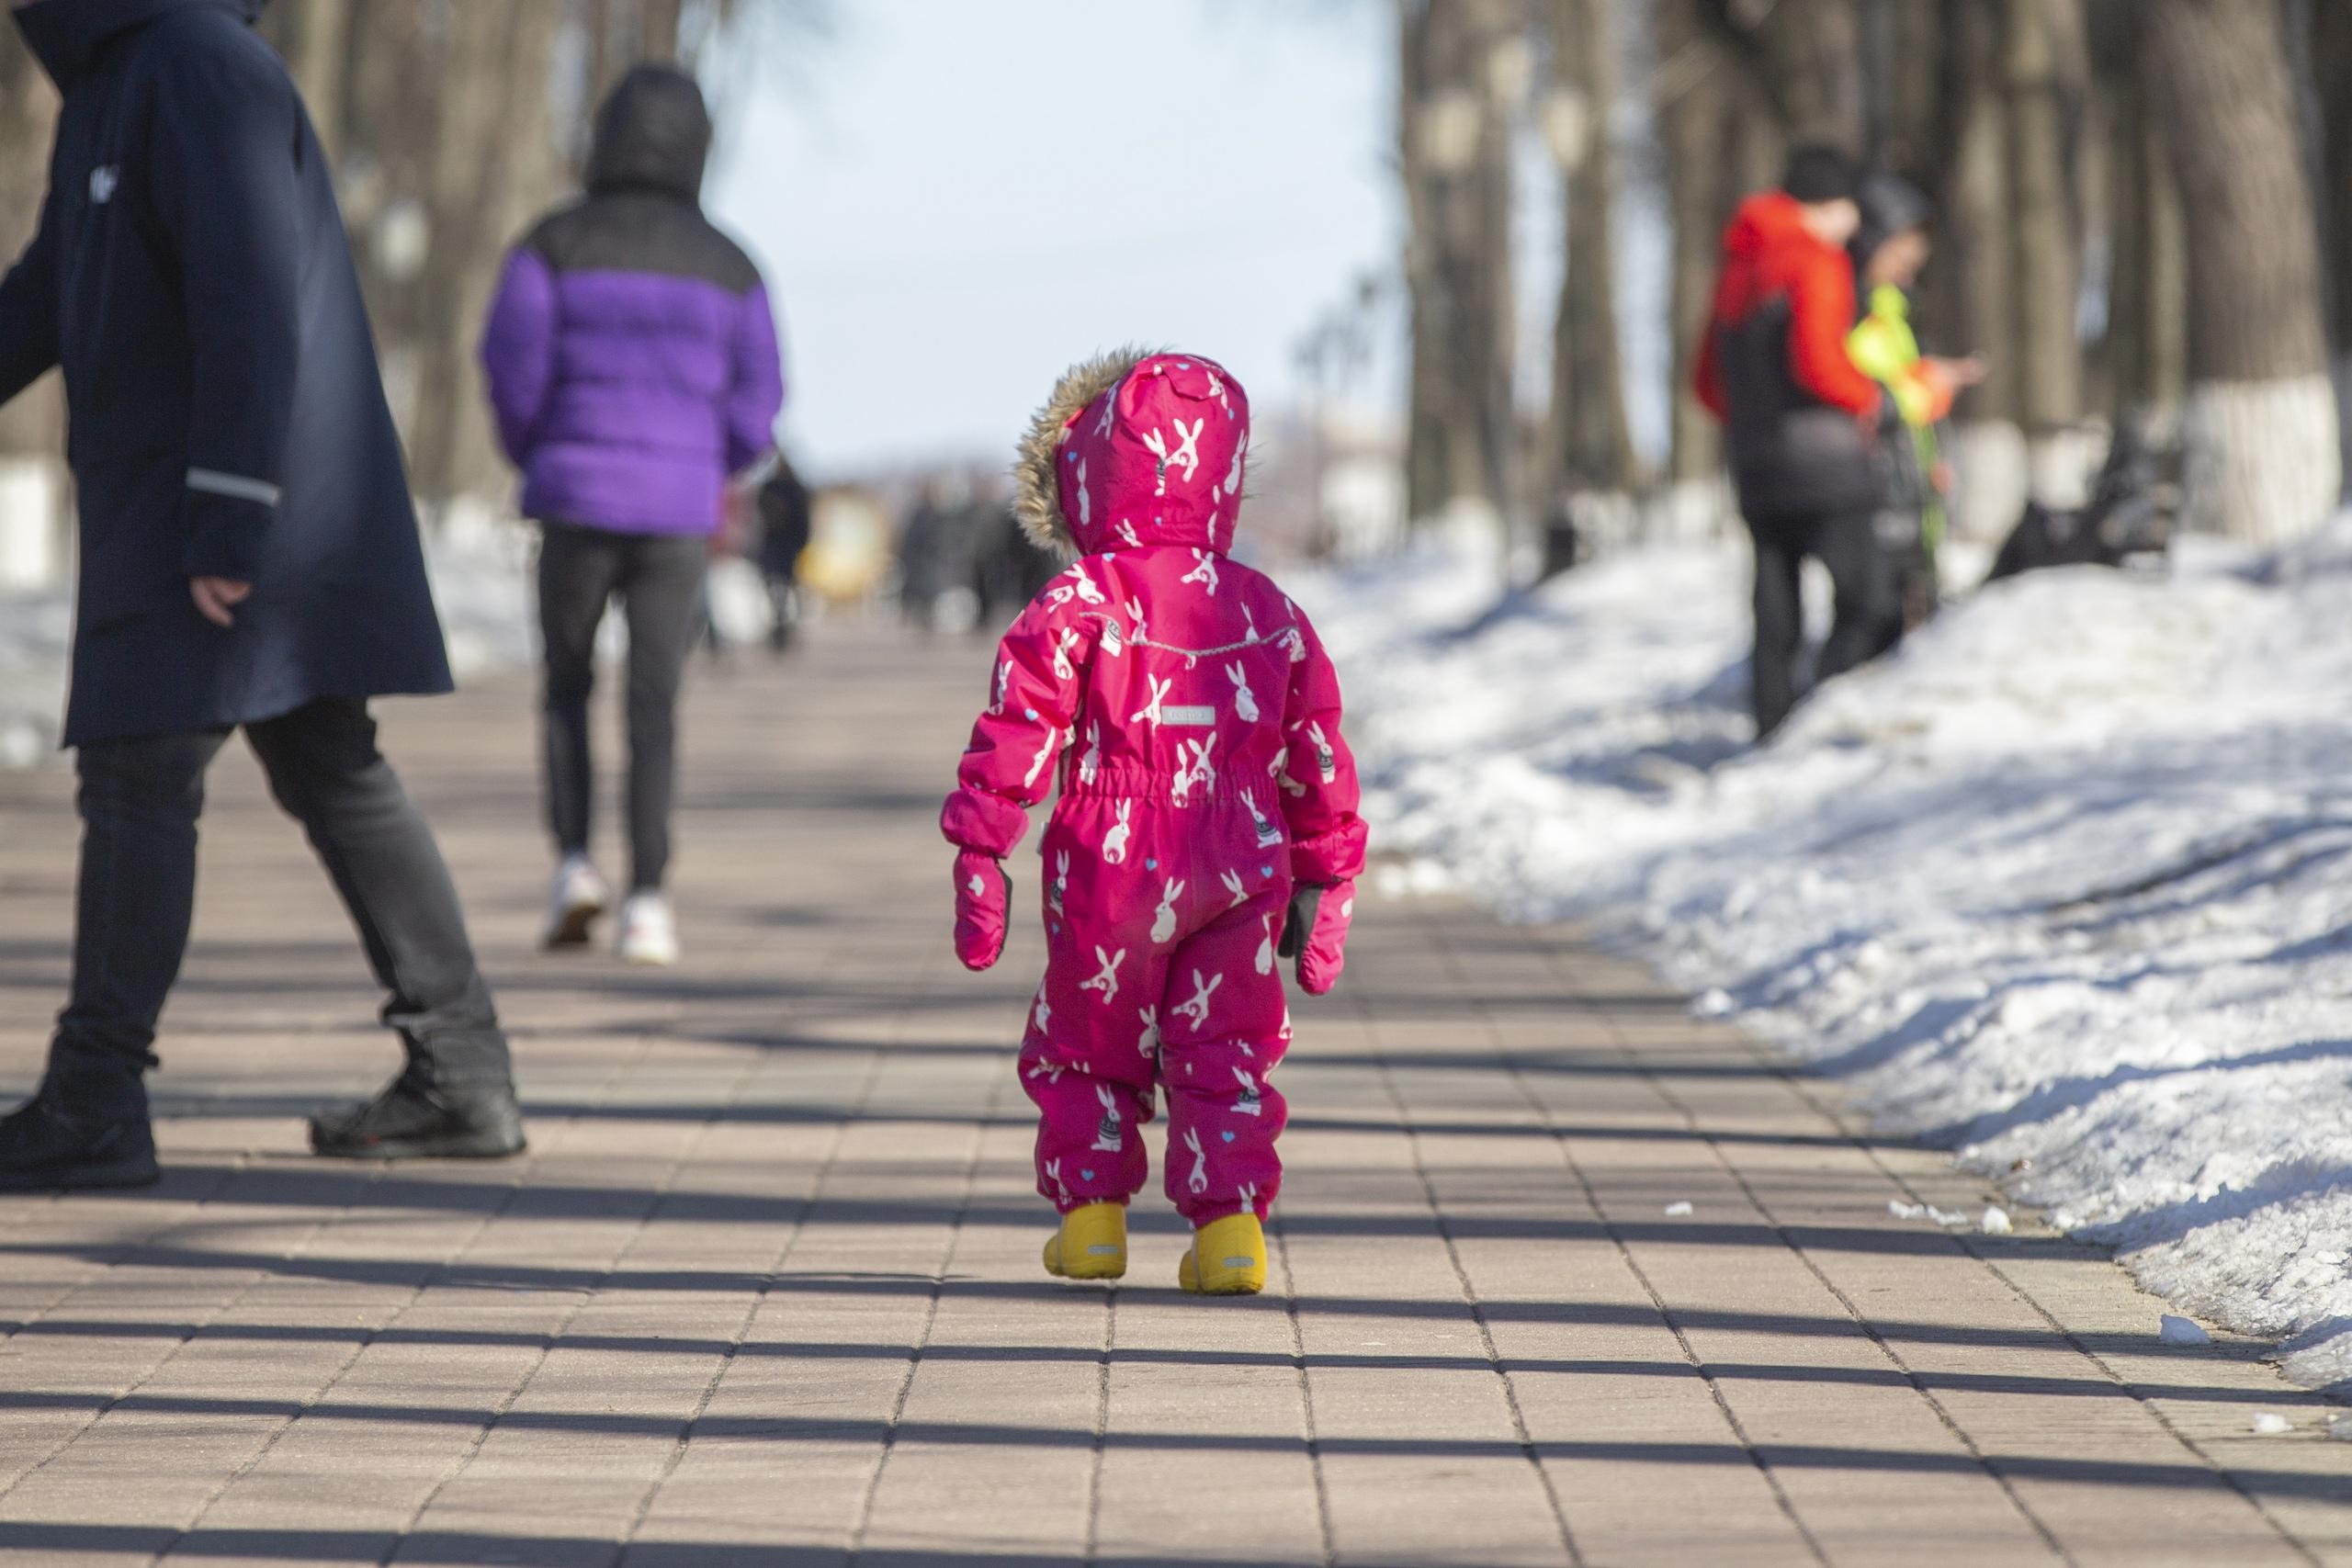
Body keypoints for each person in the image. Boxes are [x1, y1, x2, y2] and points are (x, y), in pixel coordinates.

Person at [0, 0, 524, 1189]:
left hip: (230, 507)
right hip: (213, 501)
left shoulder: (194, 63)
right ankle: (462, 1066)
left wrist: (230, 510)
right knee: (330, 763)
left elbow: (247, 288)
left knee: (138, 774)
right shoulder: (114, 80)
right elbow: (50, 286)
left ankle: (95, 1093)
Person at [941, 350, 1367, 1296]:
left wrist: (982, 844)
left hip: (1109, 860)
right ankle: (1230, 1234)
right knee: (1227, 1048)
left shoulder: (1079, 601)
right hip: (1237, 857)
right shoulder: (1267, 610)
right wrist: (1325, 871)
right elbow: (1316, 753)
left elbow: (1019, 726)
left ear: (1091, 476)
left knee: (1086, 1040)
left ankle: (1092, 1221)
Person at [481, 64, 786, 967]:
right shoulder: (732, 264)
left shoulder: (551, 243)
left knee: (567, 685)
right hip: (673, 517)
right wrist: (707, 463)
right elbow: (760, 400)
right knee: (657, 700)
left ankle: (574, 864)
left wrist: (539, 449)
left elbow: (510, 364)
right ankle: (649, 898)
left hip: (574, 503)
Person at [1696, 145, 1898, 739]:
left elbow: (1706, 381)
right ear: (1830, 206)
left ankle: (1772, 726)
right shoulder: (1814, 259)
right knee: (1867, 601)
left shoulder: (1737, 268)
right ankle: (1822, 723)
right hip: (1826, 465)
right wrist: (1870, 397)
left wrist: (1757, 419)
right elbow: (1817, 361)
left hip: (1755, 465)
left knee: (1775, 610)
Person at [1845, 173, 1983, 630]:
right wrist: (1928, 387)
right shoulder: (1856, 310)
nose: (1914, 260)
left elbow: (1893, 380)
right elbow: (1863, 390)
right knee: (1874, 617)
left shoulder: (1892, 308)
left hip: (1908, 486)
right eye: (1902, 247)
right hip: (1879, 492)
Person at [755, 454, 814, 656]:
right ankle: (785, 627)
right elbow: (804, 521)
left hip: (776, 546)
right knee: (786, 589)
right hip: (786, 547)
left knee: (777, 589)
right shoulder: (796, 489)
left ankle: (782, 627)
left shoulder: (769, 488)